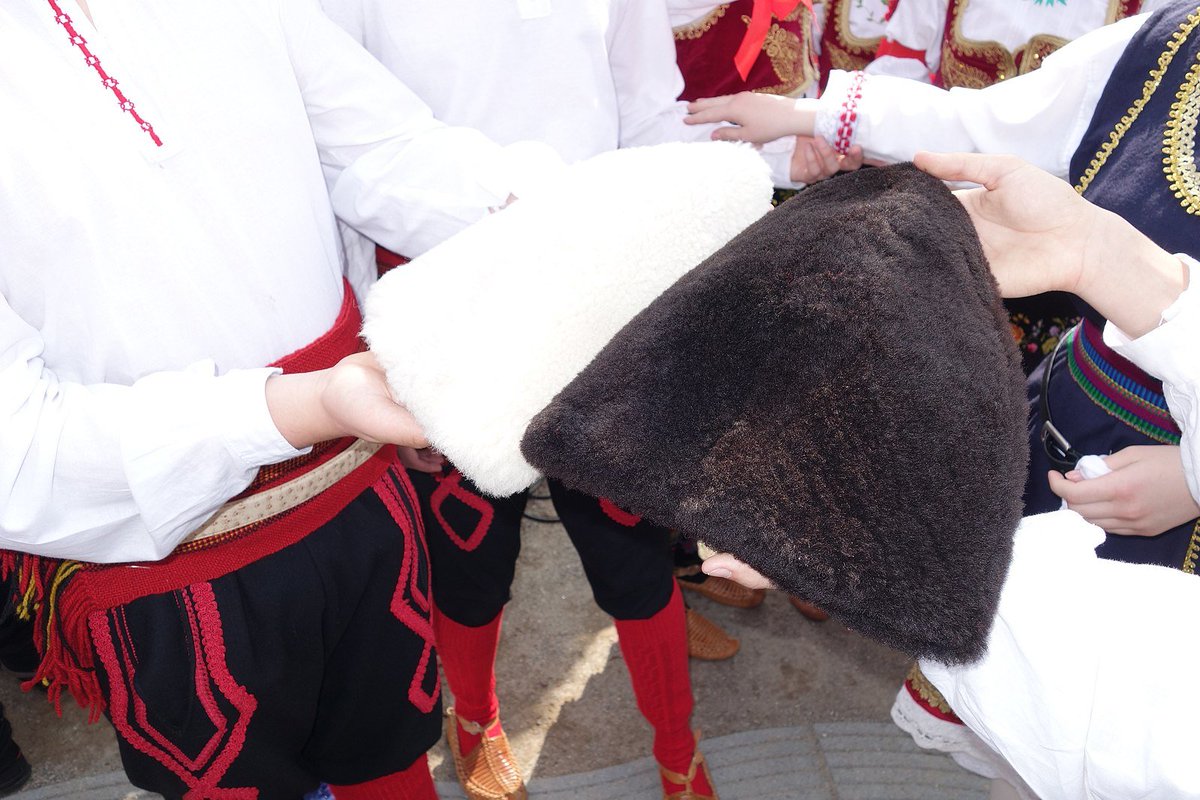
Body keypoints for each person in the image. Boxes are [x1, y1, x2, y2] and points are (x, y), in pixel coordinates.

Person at [0, 0, 564, 796]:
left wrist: (574, 229)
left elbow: (382, 150)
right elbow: (14, 448)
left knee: (395, 766)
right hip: (171, 563)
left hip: (361, 488)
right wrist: (309, 406)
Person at [317, 2, 832, 798]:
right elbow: (340, 158)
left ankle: (676, 748)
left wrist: (771, 167)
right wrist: (369, 336)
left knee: (634, 553)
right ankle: (477, 718)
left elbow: (647, 116)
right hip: (458, 305)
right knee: (471, 557)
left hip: (602, 298)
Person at [702, 150, 1200, 800]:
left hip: (1133, 592)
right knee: (1013, 761)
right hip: (1078, 423)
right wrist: (1091, 252)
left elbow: (1141, 713)